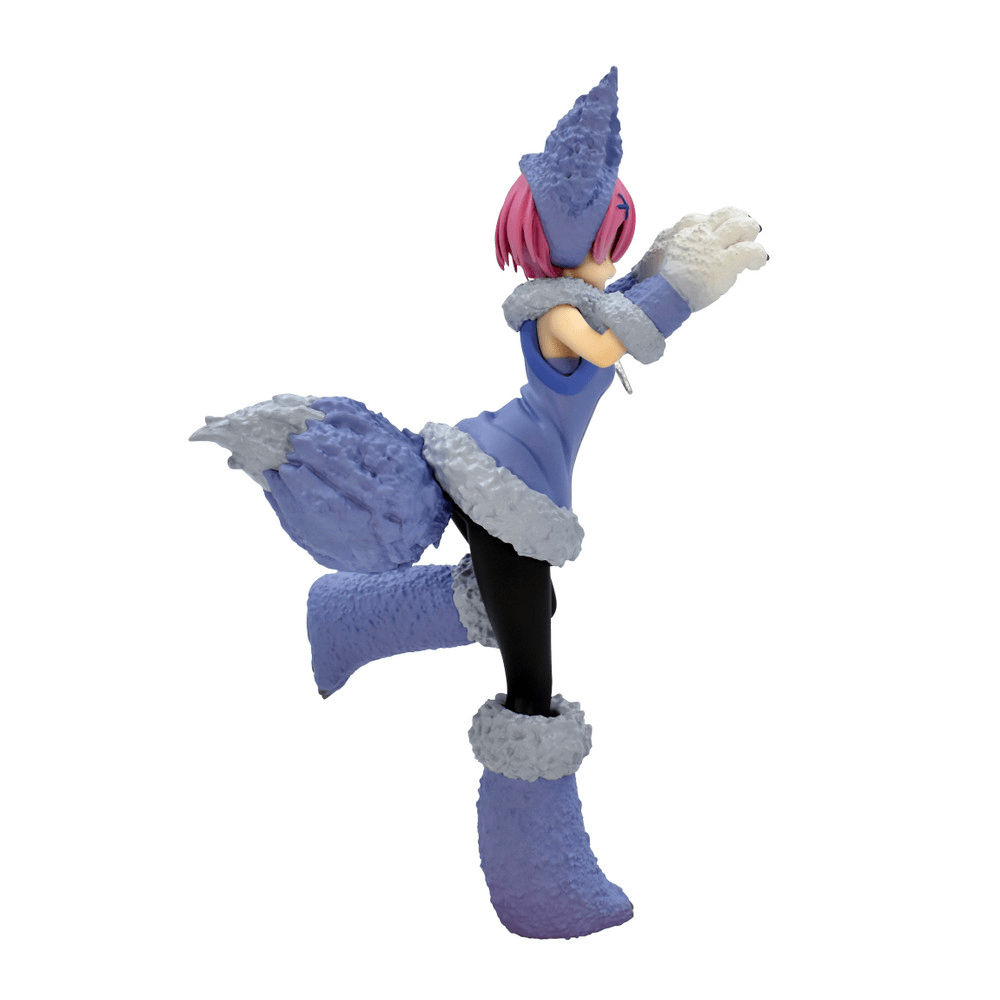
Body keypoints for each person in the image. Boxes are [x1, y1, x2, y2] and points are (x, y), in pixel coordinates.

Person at [191, 67, 766, 940]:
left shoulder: (577, 296)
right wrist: (681, 285)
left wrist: (666, 264)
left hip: (510, 476)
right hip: (506, 492)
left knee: (531, 612)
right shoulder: (557, 314)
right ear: (571, 238)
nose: (615, 256)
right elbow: (608, 341)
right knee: (531, 681)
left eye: (622, 239)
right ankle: (537, 882)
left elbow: (617, 307)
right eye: (609, 238)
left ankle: (347, 617)